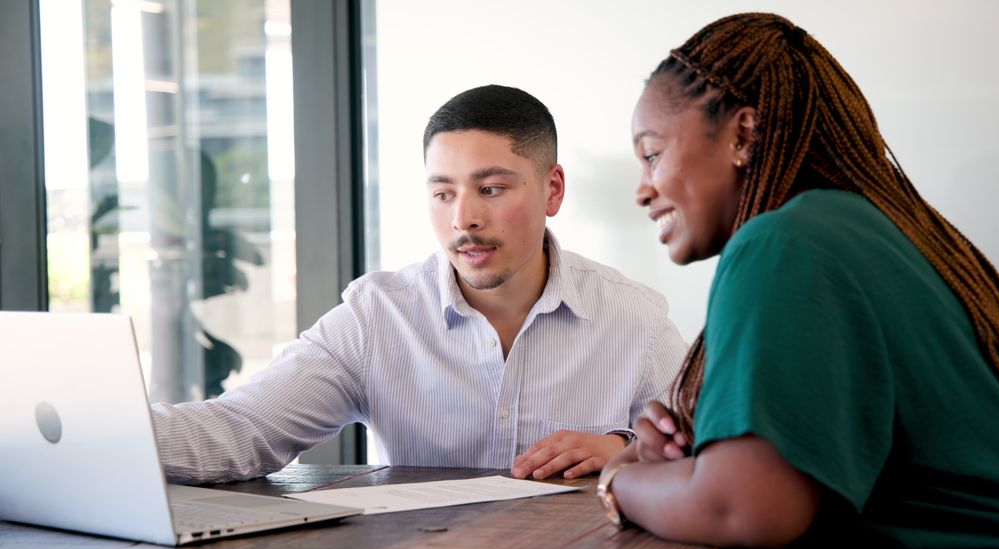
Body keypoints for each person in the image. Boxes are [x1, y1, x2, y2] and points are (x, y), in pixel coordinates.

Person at [598, 13, 999, 549]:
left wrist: (621, 479)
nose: (641, 190)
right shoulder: (865, 227)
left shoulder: (785, 243)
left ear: (743, 134)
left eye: (652, 152)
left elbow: (746, 508)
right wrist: (683, 454)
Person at [152, 85, 687, 484]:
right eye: (442, 194)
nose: (464, 219)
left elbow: (713, 452)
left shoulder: (633, 319)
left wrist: (625, 446)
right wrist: (100, 437)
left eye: (492, 188)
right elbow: (241, 430)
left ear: (552, 190)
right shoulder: (376, 318)